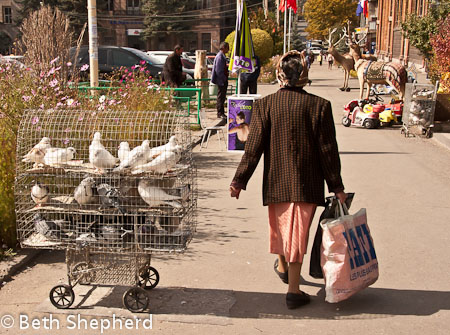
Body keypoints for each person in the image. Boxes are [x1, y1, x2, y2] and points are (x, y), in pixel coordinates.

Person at [229, 50, 346, 309]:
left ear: (281, 75)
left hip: (277, 182)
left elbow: (253, 148)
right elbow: (328, 151)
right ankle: (293, 289)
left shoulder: (265, 105)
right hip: (307, 182)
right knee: (297, 232)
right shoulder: (320, 106)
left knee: (284, 229)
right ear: (304, 76)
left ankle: (287, 274)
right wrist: (337, 187)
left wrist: (239, 181)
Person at [211, 42, 230, 119]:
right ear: (223, 48)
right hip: (221, 80)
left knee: (222, 97)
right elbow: (219, 70)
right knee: (220, 97)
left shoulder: (222, 56)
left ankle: (221, 112)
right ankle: (220, 113)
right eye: (227, 48)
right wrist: (223, 78)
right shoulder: (220, 57)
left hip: (222, 79)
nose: (228, 50)